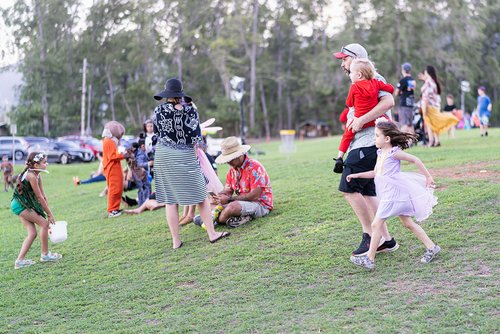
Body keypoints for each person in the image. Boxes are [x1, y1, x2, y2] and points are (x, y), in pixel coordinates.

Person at [333, 43, 398, 256]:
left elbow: (389, 101)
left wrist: (361, 120)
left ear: (357, 58)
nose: (342, 63)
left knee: (348, 187)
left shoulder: (373, 76)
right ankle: (386, 240)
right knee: (369, 192)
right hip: (364, 141)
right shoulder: (359, 80)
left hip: (369, 141)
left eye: (345, 59)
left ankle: (370, 235)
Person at [348, 121, 440, 269]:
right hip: (393, 196)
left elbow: (415, 159)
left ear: (387, 139)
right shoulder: (380, 153)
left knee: (376, 224)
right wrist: (357, 175)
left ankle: (369, 259)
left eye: (377, 136)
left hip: (393, 196)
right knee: (408, 223)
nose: (374, 139)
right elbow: (375, 173)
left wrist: (428, 177)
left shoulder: (394, 153)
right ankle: (432, 247)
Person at [152, 77, 230, 248]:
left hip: (163, 155)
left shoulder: (158, 111)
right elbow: (196, 139)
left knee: (171, 200)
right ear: (180, 93)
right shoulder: (190, 111)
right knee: (201, 196)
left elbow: (156, 133)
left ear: (167, 94)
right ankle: (212, 234)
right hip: (184, 154)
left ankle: (176, 241)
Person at [334, 58, 394, 173]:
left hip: (358, 120)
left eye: (351, 73)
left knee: (347, 135)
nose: (350, 75)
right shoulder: (376, 82)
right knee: (388, 123)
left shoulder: (354, 87)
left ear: (359, 75)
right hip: (373, 119)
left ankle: (340, 157)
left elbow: (349, 103)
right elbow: (390, 89)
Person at [11, 152, 62, 269]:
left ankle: (19, 261)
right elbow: (38, 197)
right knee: (44, 224)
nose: (47, 164)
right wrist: (49, 214)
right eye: (44, 162)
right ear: (36, 165)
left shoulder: (37, 175)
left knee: (32, 233)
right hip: (20, 205)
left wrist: (47, 211)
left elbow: (43, 196)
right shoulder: (31, 176)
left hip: (21, 204)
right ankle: (45, 255)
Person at [207, 136, 273, 228]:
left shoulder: (255, 167)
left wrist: (229, 199)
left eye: (230, 159)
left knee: (232, 207)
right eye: (227, 160)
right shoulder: (232, 170)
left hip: (259, 204)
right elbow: (228, 190)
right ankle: (226, 218)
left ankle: (215, 219)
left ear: (239, 155)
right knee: (210, 202)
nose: (228, 162)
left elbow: (254, 196)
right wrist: (219, 196)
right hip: (241, 202)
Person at [420, 65, 458, 147]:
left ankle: (430, 142)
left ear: (427, 72)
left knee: (429, 124)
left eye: (425, 72)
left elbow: (426, 96)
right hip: (435, 106)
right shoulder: (433, 81)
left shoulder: (428, 82)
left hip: (429, 106)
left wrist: (424, 109)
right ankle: (436, 141)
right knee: (434, 123)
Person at [102, 121, 129, 218]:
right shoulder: (108, 141)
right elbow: (112, 156)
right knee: (114, 189)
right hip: (111, 168)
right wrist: (124, 155)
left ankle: (115, 208)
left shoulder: (109, 140)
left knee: (118, 188)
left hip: (115, 167)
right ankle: (112, 210)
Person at [126, 140, 151, 206]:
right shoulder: (140, 154)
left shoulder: (134, 154)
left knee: (141, 189)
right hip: (140, 174)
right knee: (146, 187)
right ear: (142, 146)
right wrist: (148, 163)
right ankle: (145, 203)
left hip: (136, 174)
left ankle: (141, 203)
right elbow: (140, 164)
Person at [395, 62, 416, 134]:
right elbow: (411, 90)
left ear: (403, 70)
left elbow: (396, 92)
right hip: (411, 103)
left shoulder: (402, 80)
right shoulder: (412, 80)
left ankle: (404, 141)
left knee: (404, 123)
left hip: (404, 104)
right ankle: (412, 140)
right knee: (410, 123)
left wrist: (401, 92)